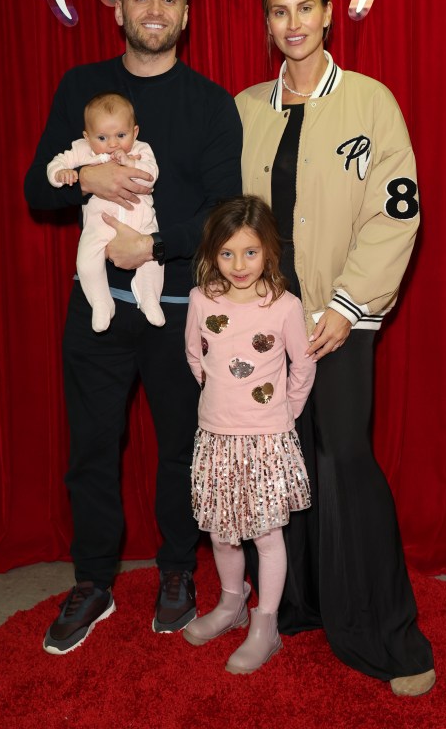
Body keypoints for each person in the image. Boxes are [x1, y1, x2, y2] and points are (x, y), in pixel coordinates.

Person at [24, 0, 242, 654]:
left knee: (182, 448)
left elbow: (223, 213)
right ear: (117, 9)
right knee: (91, 449)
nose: (155, 10)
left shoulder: (210, 102)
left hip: (179, 307)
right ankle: (93, 582)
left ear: (186, 13)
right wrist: (87, 175)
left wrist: (151, 249)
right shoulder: (81, 86)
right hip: (97, 307)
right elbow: (37, 189)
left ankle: (178, 572)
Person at [235, 0, 435, 696]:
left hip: (340, 321)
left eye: (305, 9)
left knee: (342, 456)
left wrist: (348, 306)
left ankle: (384, 632)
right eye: (279, 12)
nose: (293, 24)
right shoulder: (246, 107)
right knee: (281, 465)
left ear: (327, 16)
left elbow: (397, 209)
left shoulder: (370, 102)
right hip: (264, 326)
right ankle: (297, 604)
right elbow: (229, 221)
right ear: (267, 25)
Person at [183, 195, 315, 674]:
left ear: (269, 252)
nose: (239, 265)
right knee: (222, 534)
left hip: (265, 440)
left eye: (251, 252)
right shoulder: (202, 300)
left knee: (265, 534)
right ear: (212, 254)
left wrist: (283, 415)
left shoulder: (283, 306)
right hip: (217, 437)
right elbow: (195, 357)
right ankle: (231, 605)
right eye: (227, 253)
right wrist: (221, 401)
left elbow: (302, 366)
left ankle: (266, 623)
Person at [47, 92, 165, 331]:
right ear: (87, 136)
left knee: (153, 259)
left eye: (121, 135)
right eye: (102, 137)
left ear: (135, 131)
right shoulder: (82, 150)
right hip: (99, 224)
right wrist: (62, 175)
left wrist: (131, 163)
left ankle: (149, 297)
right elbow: (55, 163)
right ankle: (101, 302)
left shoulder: (141, 149)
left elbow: (151, 176)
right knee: (87, 261)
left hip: (140, 222)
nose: (113, 143)